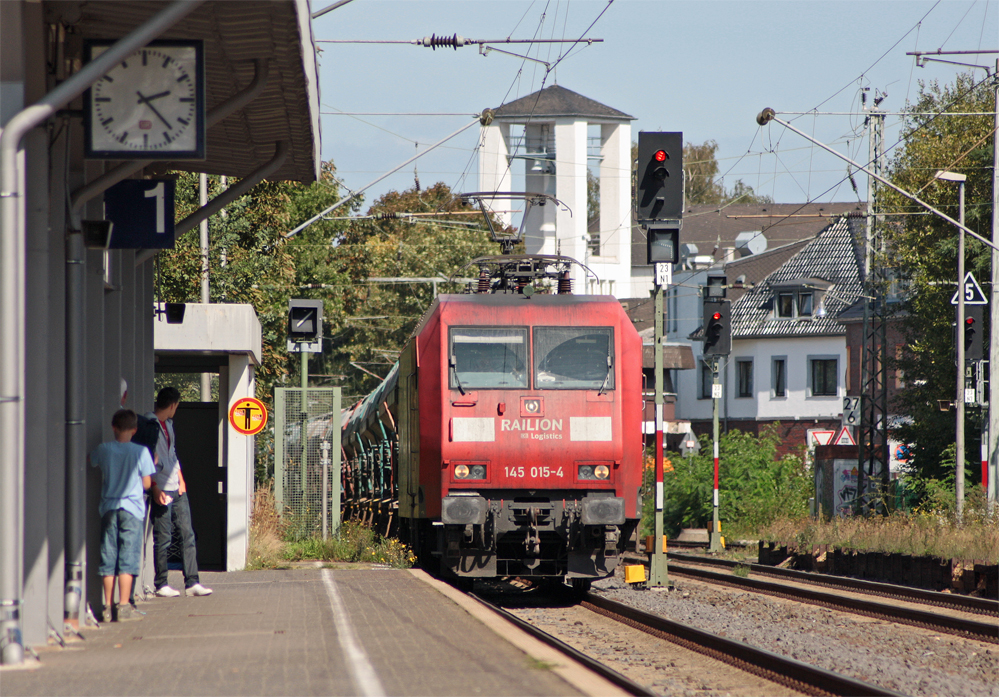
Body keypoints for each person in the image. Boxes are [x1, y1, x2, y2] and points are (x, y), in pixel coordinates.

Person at [89, 409, 156, 622]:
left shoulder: (104, 449)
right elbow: (146, 483)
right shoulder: (141, 452)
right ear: (135, 430)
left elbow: (91, 461)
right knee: (128, 556)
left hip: (109, 507)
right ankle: (124, 606)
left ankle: (107, 606)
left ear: (113, 427)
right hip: (133, 509)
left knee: (108, 556)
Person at [147, 387, 212, 597]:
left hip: (176, 487)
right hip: (161, 488)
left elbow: (172, 454)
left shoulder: (169, 425)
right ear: (173, 405)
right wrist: (154, 487)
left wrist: (181, 479)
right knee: (163, 536)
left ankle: (192, 582)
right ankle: (161, 583)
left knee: (187, 533)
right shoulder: (149, 425)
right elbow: (147, 459)